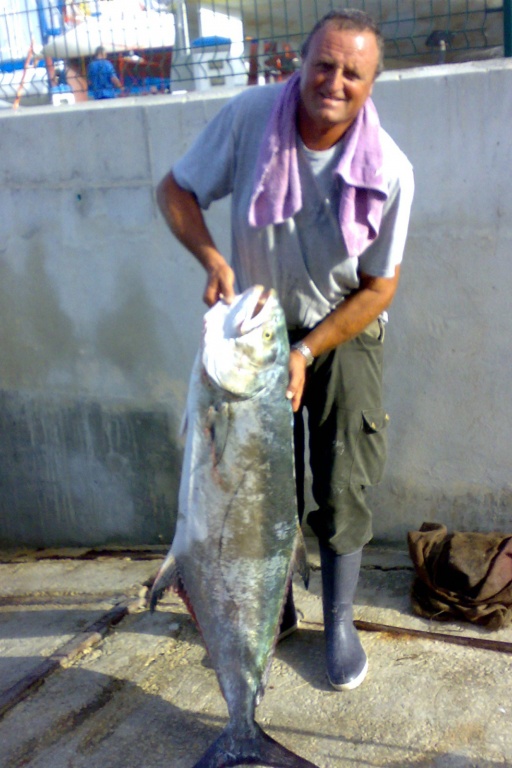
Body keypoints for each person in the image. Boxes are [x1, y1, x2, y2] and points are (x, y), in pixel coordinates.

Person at [157, 8, 414, 691]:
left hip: (339, 326)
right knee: (249, 491)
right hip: (254, 327)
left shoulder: (389, 170)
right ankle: (274, 610)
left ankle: (338, 620)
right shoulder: (248, 119)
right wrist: (211, 257)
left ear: (371, 84)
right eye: (323, 64)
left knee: (341, 478)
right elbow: (176, 190)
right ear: (298, 64)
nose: (334, 81)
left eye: (352, 72)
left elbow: (378, 288)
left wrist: (307, 353)